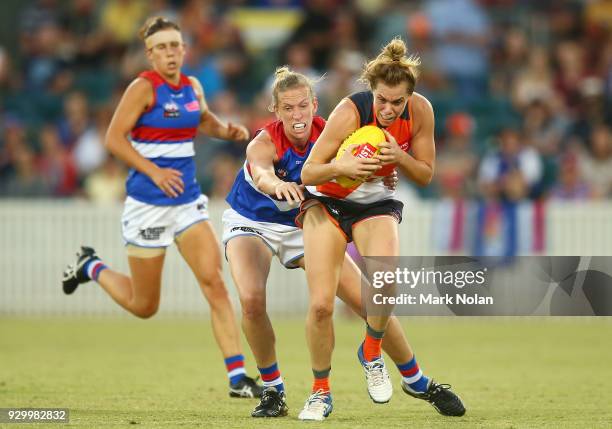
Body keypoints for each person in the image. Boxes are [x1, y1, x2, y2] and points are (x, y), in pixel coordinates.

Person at [224, 66, 465, 420]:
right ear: (275, 110)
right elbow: (261, 173)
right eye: (288, 108)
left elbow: (364, 163)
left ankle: (417, 379)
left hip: (304, 219)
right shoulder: (263, 142)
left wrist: (387, 169)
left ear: (314, 105)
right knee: (251, 301)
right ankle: (274, 389)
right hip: (253, 221)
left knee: (370, 301)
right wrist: (276, 184)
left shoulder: (335, 132)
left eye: (303, 106)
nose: (297, 115)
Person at [61, 16, 262, 399]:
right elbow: (113, 139)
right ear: (150, 54)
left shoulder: (192, 87)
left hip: (187, 204)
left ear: (185, 49)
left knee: (215, 283)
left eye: (176, 45)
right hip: (148, 207)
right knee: (144, 305)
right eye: (162, 47)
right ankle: (90, 265)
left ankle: (237, 378)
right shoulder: (142, 88)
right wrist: (154, 172)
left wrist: (228, 130)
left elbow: (204, 120)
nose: (170, 53)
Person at [297, 38, 465, 419]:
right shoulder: (348, 111)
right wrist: (342, 168)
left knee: (386, 283)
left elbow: (425, 174)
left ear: (410, 97)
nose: (388, 109)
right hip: (328, 202)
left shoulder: (421, 112)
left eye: (397, 102)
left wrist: (399, 157)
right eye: (382, 100)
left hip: (375, 204)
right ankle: (320, 392)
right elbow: (309, 172)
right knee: (322, 305)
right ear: (371, 91)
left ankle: (371, 352)